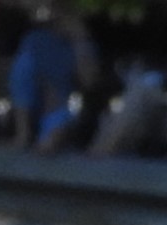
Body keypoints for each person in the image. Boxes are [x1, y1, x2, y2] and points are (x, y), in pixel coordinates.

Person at [7, 0, 102, 146]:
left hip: (65, 110)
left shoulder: (83, 46)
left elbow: (89, 82)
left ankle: (47, 139)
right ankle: (23, 133)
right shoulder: (35, 40)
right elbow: (21, 80)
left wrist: (79, 40)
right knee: (23, 66)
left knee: (56, 133)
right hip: (36, 107)